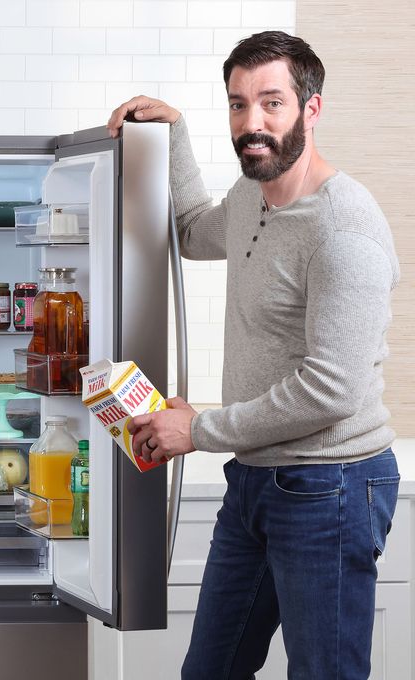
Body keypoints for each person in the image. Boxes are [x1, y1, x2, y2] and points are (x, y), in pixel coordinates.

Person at [107, 31, 400, 679]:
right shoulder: (252, 199)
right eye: (238, 105)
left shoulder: (343, 231)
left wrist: (198, 430)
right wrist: (173, 132)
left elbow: (330, 391)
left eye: (271, 102)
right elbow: (190, 231)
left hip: (329, 487)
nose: (251, 123)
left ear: (311, 109)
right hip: (254, 480)